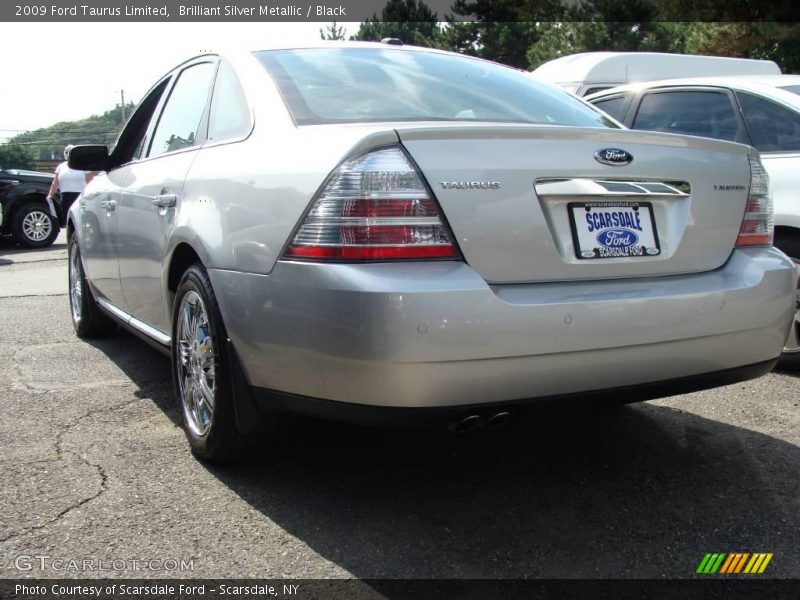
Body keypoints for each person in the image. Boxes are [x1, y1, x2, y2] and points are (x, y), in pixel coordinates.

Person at [46, 145, 93, 223]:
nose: (69, 154)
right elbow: (55, 182)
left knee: (80, 220)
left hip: (80, 197)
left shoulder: (83, 166)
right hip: (65, 198)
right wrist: (50, 195)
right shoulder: (61, 167)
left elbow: (90, 182)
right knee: (67, 221)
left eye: (71, 152)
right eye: (67, 152)